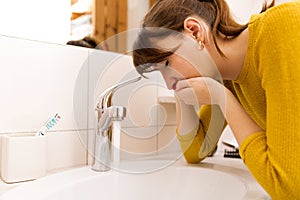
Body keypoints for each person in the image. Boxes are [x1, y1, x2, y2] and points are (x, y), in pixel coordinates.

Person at [131, 0, 300, 199]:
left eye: (167, 63)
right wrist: (180, 87)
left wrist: (222, 98)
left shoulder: (281, 28)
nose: (168, 84)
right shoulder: (228, 79)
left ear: (194, 32)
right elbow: (196, 152)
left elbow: (289, 188)